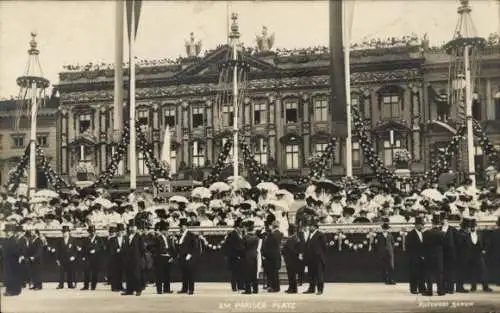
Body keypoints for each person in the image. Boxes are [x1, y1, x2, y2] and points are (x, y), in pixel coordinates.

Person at [468, 218, 493, 292]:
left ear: (476, 226)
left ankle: (485, 287)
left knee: (483, 271)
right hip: (471, 255)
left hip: (479, 255)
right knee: (472, 271)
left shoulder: (481, 234)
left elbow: (487, 242)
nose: (472, 228)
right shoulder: (467, 234)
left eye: (474, 226)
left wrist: (484, 250)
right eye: (471, 226)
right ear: (470, 227)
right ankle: (473, 287)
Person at [423, 213, 445, 296]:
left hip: (429, 255)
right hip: (439, 255)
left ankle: (429, 291)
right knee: (439, 273)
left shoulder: (426, 233)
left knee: (429, 273)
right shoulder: (442, 233)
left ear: (432, 223)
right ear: (439, 224)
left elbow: (424, 245)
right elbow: (444, 245)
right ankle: (440, 291)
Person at [303, 218, 326, 295]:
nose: (309, 228)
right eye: (309, 226)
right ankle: (311, 288)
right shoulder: (310, 235)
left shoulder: (320, 234)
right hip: (310, 258)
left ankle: (320, 289)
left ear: (315, 227)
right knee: (311, 274)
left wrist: (319, 254)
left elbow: (324, 247)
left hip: (318, 258)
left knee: (319, 274)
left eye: (311, 226)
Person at [122, 219, 145, 296]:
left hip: (136, 259)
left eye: (133, 227)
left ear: (136, 228)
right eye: (130, 227)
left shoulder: (139, 237)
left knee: (136, 275)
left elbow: (142, 249)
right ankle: (129, 290)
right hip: (128, 259)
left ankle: (138, 290)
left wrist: (138, 257)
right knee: (129, 275)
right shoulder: (127, 237)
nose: (132, 228)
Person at [153, 220, 176, 294]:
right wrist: (157, 255)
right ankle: (159, 290)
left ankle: (167, 289)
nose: (167, 232)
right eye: (166, 230)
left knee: (167, 274)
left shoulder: (168, 239)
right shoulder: (157, 238)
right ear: (162, 231)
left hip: (167, 258)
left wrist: (172, 257)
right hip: (160, 257)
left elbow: (171, 249)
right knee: (159, 274)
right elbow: (153, 248)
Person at [177, 217, 199, 295]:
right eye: (180, 226)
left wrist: (189, 255)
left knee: (190, 273)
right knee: (184, 273)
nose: (181, 227)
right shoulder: (180, 235)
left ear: (186, 226)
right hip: (182, 256)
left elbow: (194, 246)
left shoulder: (191, 235)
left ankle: (191, 289)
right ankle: (184, 288)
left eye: (182, 226)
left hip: (188, 256)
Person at [223, 216, 245, 292]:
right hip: (234, 256)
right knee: (234, 272)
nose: (241, 229)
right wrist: (236, 255)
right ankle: (234, 287)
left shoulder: (242, 234)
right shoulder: (232, 234)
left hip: (241, 256)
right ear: (236, 227)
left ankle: (241, 286)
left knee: (241, 272)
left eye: (242, 228)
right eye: (240, 227)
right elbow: (229, 246)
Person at [262, 218, 283, 293]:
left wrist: (264, 254)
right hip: (276, 254)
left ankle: (274, 287)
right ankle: (276, 287)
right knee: (275, 273)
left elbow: (268, 245)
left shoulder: (272, 235)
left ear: (273, 226)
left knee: (272, 273)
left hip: (271, 255)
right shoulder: (280, 234)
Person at [406, 216, 426, 294]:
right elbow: (409, 247)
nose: (422, 226)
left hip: (422, 257)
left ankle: (422, 288)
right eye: (421, 224)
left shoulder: (423, 233)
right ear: (416, 225)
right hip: (414, 257)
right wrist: (417, 255)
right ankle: (413, 289)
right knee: (414, 273)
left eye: (423, 224)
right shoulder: (410, 234)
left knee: (422, 273)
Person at [81, 225, 103, 290]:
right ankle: (86, 286)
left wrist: (95, 250)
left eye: (93, 231)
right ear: (89, 232)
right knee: (86, 272)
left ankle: (93, 286)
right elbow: (83, 248)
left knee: (95, 272)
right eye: (90, 232)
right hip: (88, 257)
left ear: (95, 232)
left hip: (96, 258)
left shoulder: (99, 239)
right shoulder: (86, 239)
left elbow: (102, 248)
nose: (92, 233)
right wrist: (83, 256)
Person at [2, 224, 22, 296]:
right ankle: (10, 290)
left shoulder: (13, 240)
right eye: (7, 231)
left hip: (12, 260)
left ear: (12, 232)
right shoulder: (8, 239)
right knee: (9, 275)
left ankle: (13, 291)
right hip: (8, 260)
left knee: (12, 275)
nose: (7, 233)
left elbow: (16, 251)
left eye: (9, 231)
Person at [441, 210, 457, 294]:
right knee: (442, 271)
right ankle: (443, 288)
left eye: (445, 219)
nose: (443, 220)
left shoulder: (452, 229)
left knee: (450, 271)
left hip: (451, 254)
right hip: (441, 253)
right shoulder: (439, 229)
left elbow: (457, 241)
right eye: (442, 219)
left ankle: (450, 288)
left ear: (447, 220)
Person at [374, 220, 395, 285]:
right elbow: (376, 244)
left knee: (391, 266)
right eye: (384, 228)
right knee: (383, 266)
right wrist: (380, 251)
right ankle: (385, 279)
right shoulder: (379, 235)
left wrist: (390, 250)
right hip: (382, 253)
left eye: (386, 228)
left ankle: (391, 279)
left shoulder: (390, 235)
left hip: (389, 252)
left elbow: (392, 243)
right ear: (382, 229)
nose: (385, 229)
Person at [242, 220, 260, 294]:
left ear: (247, 228)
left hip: (247, 256)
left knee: (247, 273)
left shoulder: (245, 237)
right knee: (254, 273)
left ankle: (248, 290)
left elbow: (243, 247)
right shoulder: (256, 237)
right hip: (254, 255)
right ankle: (255, 289)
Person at [282, 224, 301, 293]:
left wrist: (284, 252)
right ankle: (292, 288)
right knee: (291, 274)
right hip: (292, 258)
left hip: (290, 259)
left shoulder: (292, 238)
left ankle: (292, 288)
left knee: (291, 274)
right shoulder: (295, 237)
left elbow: (291, 249)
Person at [455, 217, 471, 293]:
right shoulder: (462, 234)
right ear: (466, 227)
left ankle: (460, 287)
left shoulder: (462, 233)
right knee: (460, 272)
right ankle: (459, 287)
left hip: (462, 256)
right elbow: (459, 246)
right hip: (461, 257)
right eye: (469, 227)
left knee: (461, 272)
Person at [109, 223, 126, 292]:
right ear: (116, 232)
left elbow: (126, 247)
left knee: (121, 273)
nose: (120, 232)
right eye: (119, 231)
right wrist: (116, 251)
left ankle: (120, 286)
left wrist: (122, 251)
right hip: (115, 258)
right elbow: (110, 249)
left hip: (122, 258)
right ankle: (114, 287)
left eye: (121, 231)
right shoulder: (112, 239)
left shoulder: (125, 238)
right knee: (115, 273)